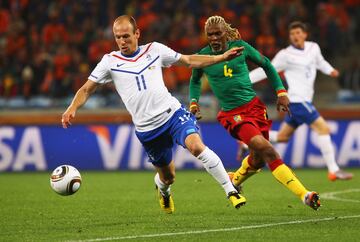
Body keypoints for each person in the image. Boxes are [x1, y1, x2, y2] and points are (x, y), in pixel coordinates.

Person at [61, 15, 246, 214]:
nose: (122, 41)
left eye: (126, 36)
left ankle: (230, 190)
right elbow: (87, 89)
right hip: (147, 129)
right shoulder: (109, 62)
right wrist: (72, 108)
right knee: (168, 177)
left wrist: (221, 57)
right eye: (118, 37)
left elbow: (189, 60)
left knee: (196, 146)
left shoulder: (155, 50)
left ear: (137, 33)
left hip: (172, 114)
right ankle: (163, 191)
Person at [189, 15, 320, 210]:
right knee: (267, 150)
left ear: (226, 32)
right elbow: (195, 79)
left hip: (255, 108)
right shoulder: (204, 55)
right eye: (210, 35)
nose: (214, 38)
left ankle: (235, 180)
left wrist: (281, 91)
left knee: (257, 160)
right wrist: (194, 101)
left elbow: (267, 64)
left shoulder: (240, 47)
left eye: (218, 33)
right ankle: (305, 194)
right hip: (233, 115)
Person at [249, 21, 353, 181]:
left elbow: (320, 62)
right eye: (292, 34)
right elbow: (268, 69)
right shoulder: (285, 55)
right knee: (323, 129)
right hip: (298, 101)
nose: (295, 36)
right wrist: (246, 79)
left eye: (298, 33)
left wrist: (330, 70)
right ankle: (334, 170)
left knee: (283, 137)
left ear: (305, 34)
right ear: (290, 37)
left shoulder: (313, 48)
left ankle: (249, 139)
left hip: (299, 103)